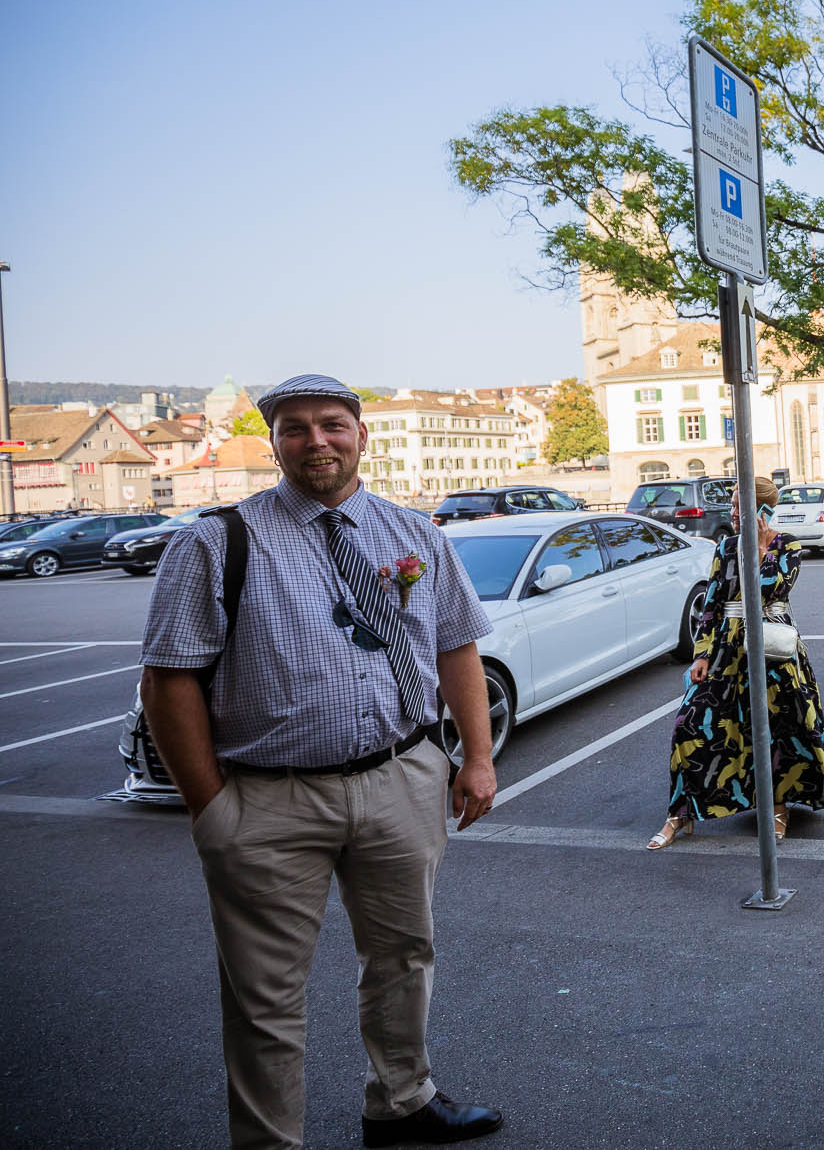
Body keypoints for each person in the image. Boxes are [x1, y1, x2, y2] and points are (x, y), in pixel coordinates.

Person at [139, 373, 504, 1149]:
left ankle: (402, 1101)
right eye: (295, 428)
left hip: (401, 777)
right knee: (265, 996)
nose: (317, 441)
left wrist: (476, 756)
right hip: (269, 799)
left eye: (333, 424)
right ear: (273, 443)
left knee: (405, 954)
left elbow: (455, 645)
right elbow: (169, 680)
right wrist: (211, 807)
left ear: (361, 434)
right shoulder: (214, 541)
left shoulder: (415, 533)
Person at [648, 476, 824, 848]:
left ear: (763, 509)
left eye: (740, 506)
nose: (733, 512)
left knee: (779, 727)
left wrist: (763, 549)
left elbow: (771, 590)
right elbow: (712, 603)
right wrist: (702, 653)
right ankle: (680, 813)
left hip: (771, 646)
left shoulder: (788, 544)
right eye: (733, 505)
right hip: (726, 648)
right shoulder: (725, 547)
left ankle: (778, 807)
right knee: (689, 724)